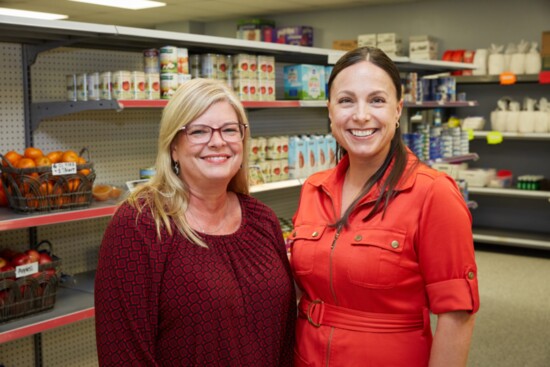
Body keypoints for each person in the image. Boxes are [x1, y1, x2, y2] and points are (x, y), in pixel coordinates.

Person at [289, 46, 479, 367]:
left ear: (397, 110)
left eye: (377, 100)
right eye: (346, 100)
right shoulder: (313, 188)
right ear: (330, 110)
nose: (361, 115)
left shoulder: (433, 193)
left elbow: (456, 315)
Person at [94, 78, 296, 366]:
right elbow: (123, 355)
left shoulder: (262, 219)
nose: (217, 141)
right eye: (199, 131)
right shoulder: (140, 225)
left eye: (229, 130)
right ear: (173, 147)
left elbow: (285, 336)